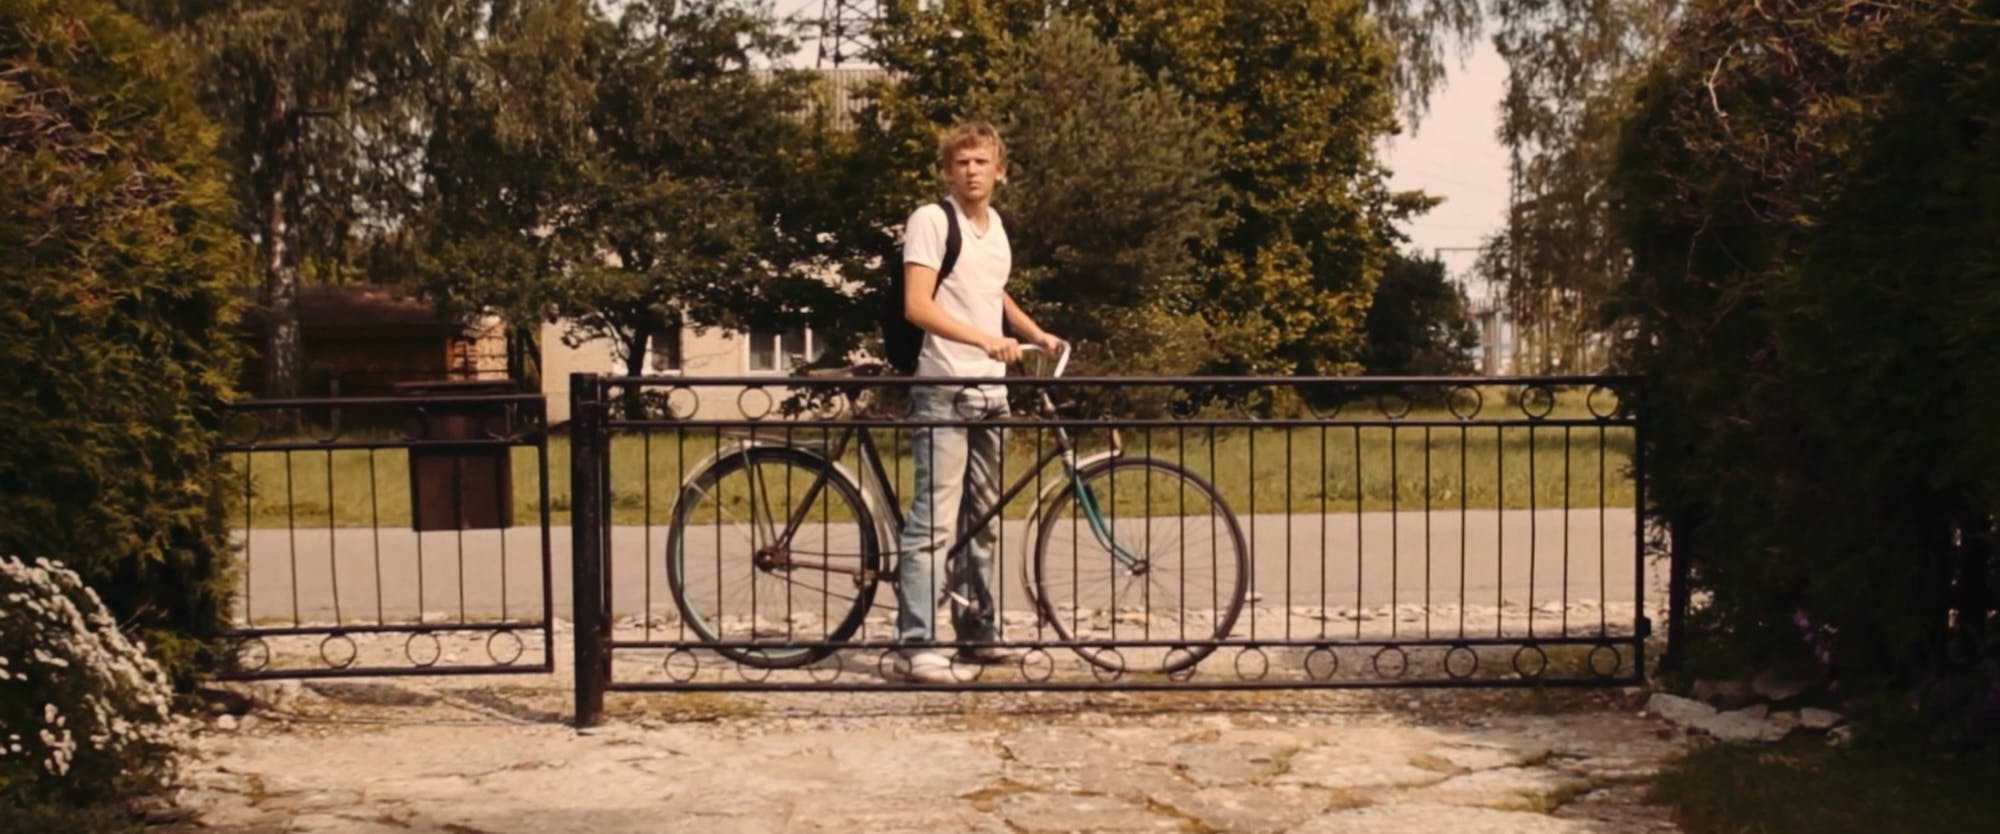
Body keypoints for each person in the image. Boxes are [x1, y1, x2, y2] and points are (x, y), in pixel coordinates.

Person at [894, 121, 1062, 683]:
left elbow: (991, 291)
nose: (972, 170)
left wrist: (1034, 333)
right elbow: (917, 305)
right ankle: (917, 643)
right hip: (944, 386)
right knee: (934, 523)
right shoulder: (931, 220)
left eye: (981, 162)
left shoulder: (997, 228)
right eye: (962, 161)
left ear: (1000, 170)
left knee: (984, 522)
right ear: (949, 169)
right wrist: (981, 338)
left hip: (991, 392)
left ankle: (977, 634)